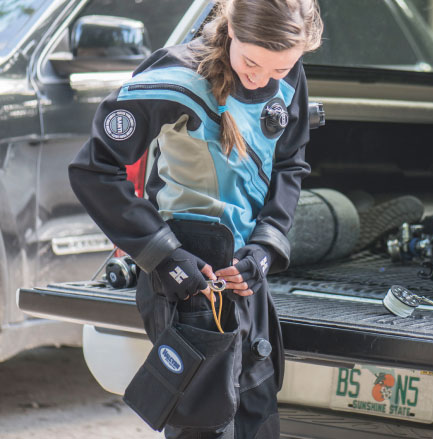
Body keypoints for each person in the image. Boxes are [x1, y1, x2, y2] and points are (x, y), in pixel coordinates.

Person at [68, 0, 323, 437]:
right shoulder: (175, 77)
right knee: (205, 425)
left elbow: (290, 163)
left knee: (258, 419)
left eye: (280, 69)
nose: (262, 78)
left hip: (246, 276)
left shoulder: (287, 72)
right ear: (234, 31)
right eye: (251, 62)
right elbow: (94, 171)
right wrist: (164, 256)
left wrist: (265, 247)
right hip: (187, 277)